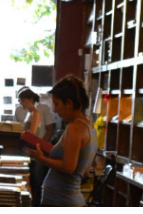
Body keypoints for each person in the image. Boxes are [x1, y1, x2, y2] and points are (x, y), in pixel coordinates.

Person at [30, 75, 97, 207]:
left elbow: (68, 167)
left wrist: (42, 159)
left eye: (57, 104)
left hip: (62, 201)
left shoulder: (74, 128)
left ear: (69, 104)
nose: (55, 110)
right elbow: (84, 169)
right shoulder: (89, 127)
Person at [18, 88, 55, 204]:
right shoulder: (30, 113)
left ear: (30, 99)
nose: (21, 103)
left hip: (34, 151)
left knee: (35, 183)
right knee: (31, 181)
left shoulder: (36, 112)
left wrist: (23, 135)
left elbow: (32, 133)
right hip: (29, 150)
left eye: (22, 101)